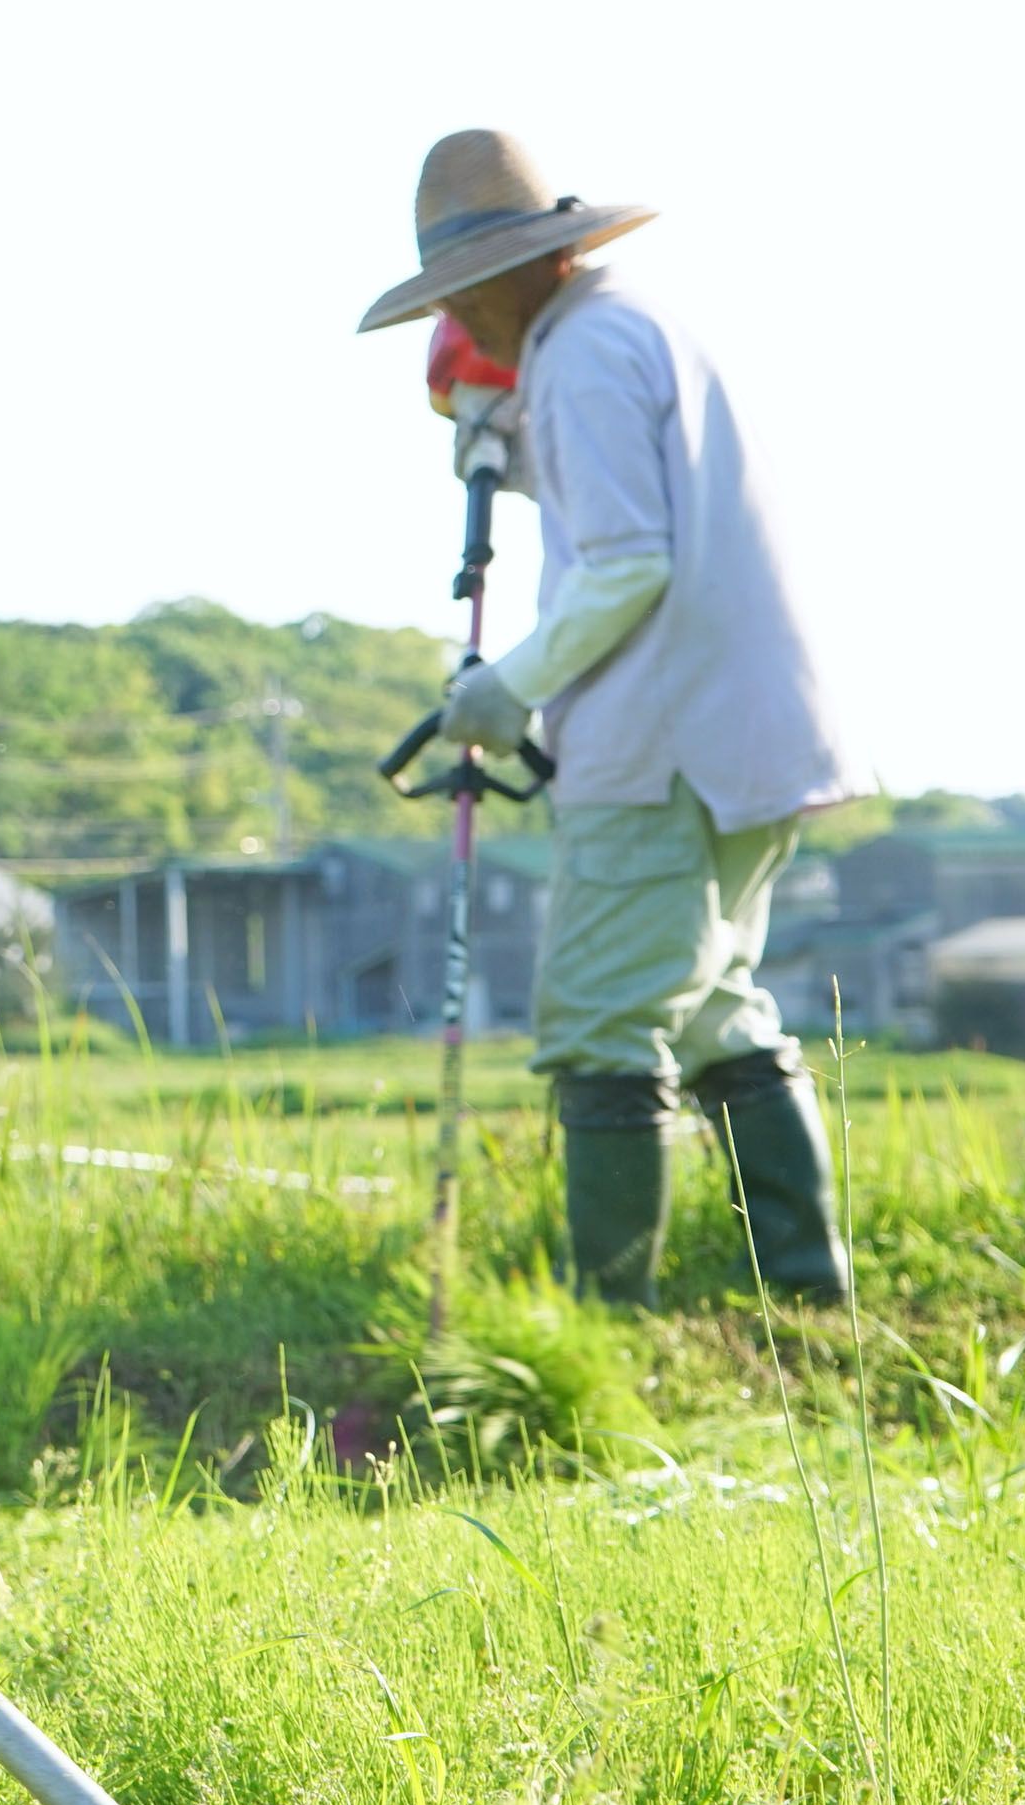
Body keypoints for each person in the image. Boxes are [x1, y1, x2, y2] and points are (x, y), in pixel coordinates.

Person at [358, 130, 859, 1308]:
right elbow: (643, 505)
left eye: (458, 303)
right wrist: (513, 455)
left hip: (662, 745)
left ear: (507, 276)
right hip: (749, 730)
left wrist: (505, 687)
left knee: (599, 1025)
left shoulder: (576, 356)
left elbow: (626, 562)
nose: (463, 333)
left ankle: (610, 1328)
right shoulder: (631, 327)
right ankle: (804, 1299)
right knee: (720, 1007)